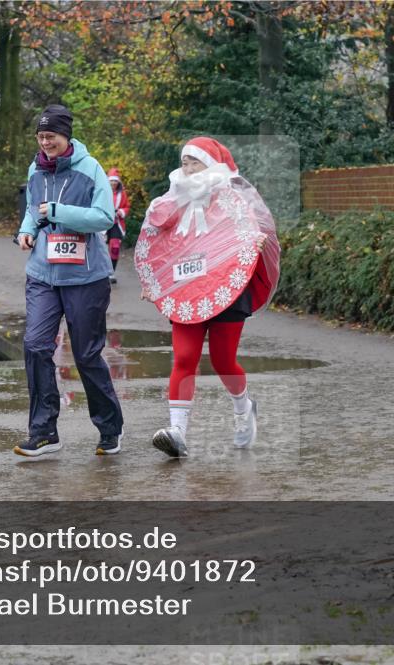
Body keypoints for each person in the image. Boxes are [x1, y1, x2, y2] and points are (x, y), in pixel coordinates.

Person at [134, 137, 280, 458]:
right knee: (184, 358)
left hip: (228, 288)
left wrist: (253, 246)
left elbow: (250, 234)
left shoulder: (232, 199)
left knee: (222, 361)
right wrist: (153, 279)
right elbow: (159, 245)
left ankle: (244, 410)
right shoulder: (170, 203)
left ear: (210, 165)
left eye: (194, 162)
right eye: (184, 162)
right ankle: (177, 432)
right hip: (186, 293)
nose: (186, 168)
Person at [13, 104, 124, 458]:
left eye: (52, 137)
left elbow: (104, 217)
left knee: (86, 354)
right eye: (40, 136)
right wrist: (26, 232)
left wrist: (59, 213)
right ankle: (44, 432)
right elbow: (33, 209)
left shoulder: (91, 169)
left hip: (85, 277)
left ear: (67, 136)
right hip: (43, 274)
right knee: (35, 346)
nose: (45, 143)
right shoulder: (35, 169)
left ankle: (110, 429)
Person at [106, 168, 130, 284]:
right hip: (103, 223)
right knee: (99, 249)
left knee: (114, 247)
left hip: (117, 223)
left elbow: (127, 207)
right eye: (111, 181)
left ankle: (111, 273)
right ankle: (99, 273)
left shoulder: (122, 194)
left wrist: (120, 212)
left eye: (115, 181)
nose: (113, 183)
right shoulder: (102, 191)